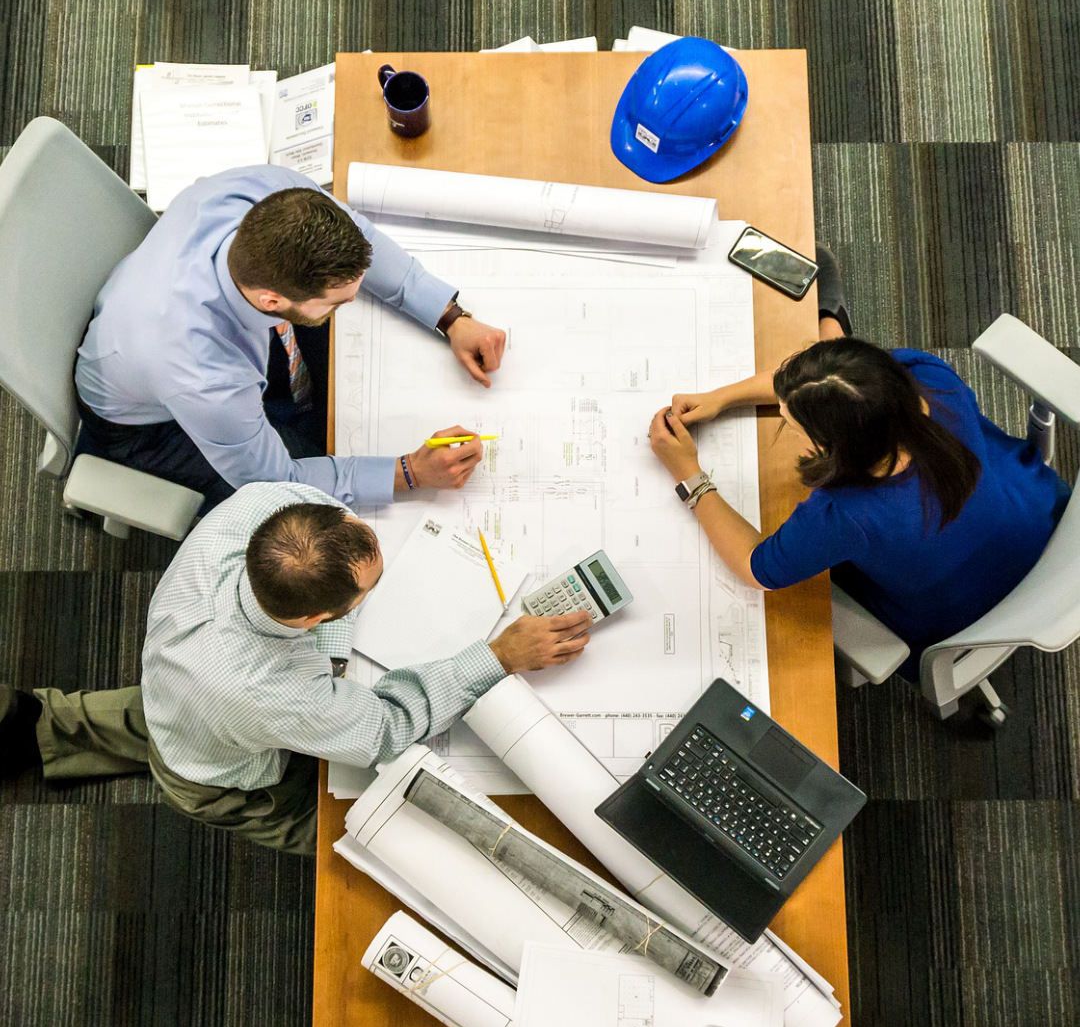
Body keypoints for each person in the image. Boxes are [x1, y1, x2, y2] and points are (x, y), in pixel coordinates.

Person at [0, 483, 592, 855]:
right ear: (312, 617)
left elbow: (332, 512)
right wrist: (497, 656)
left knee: (148, 717)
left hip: (174, 686)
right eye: (371, 588)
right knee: (368, 832)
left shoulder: (259, 508)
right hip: (218, 775)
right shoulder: (268, 693)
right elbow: (384, 727)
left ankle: (32, 726)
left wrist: (330, 656)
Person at [647, 250, 1070, 680]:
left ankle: (831, 319)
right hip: (1041, 516)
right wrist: (721, 397)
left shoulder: (846, 516)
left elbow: (758, 569)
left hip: (961, 614)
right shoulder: (924, 376)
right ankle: (832, 321)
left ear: (837, 447)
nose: (783, 420)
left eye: (792, 423)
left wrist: (689, 475)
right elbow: (824, 384)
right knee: (821, 268)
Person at [75, 166, 509, 511]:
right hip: (148, 426)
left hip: (153, 323)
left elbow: (364, 240)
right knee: (311, 510)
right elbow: (276, 481)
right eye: (338, 301)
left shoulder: (268, 191)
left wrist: (449, 317)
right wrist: (409, 472)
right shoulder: (203, 375)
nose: (354, 300)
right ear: (271, 299)